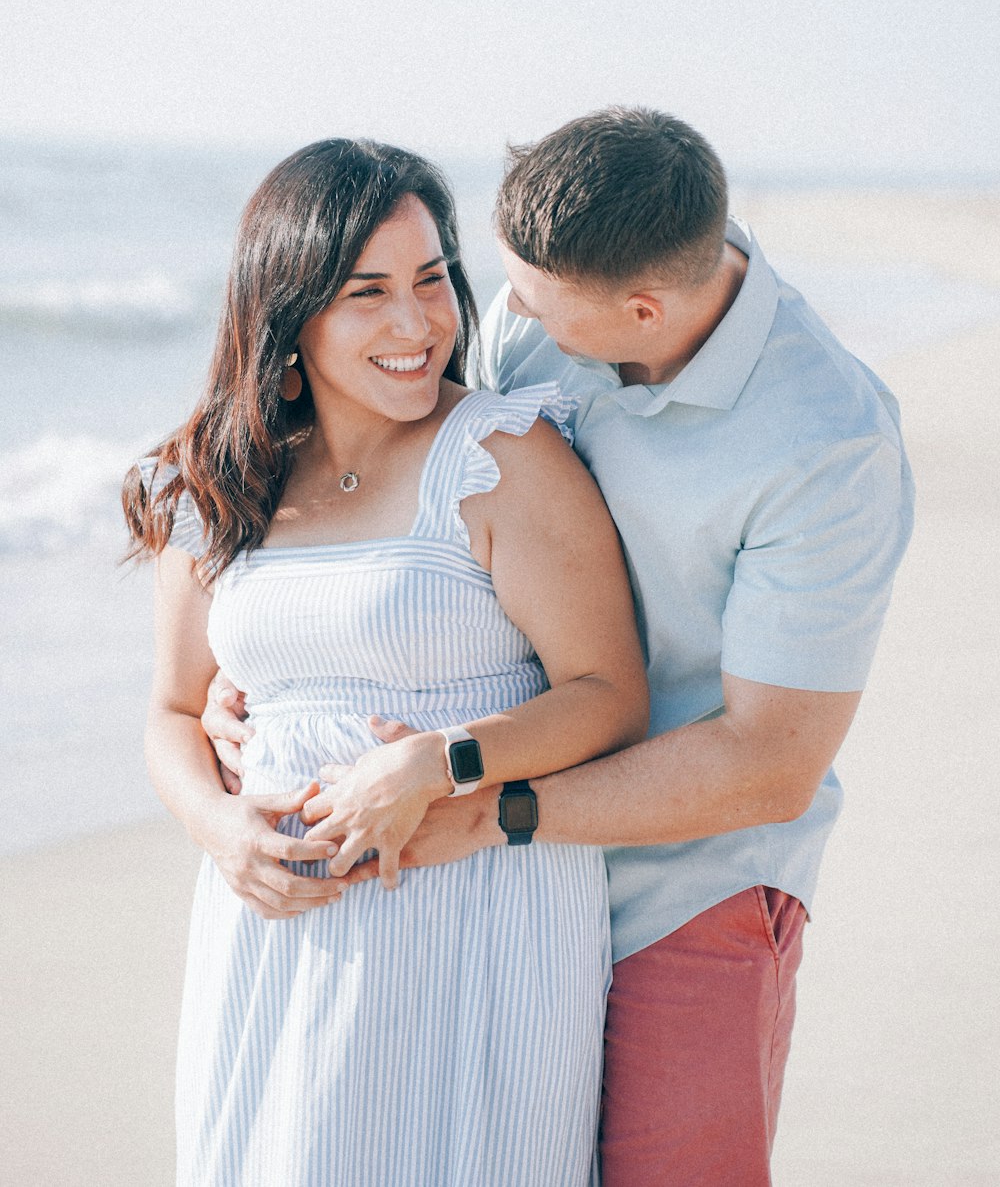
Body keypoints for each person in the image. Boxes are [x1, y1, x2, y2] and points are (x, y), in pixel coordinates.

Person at [209, 108, 914, 1186]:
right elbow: (420, 511)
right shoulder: (550, 310)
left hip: (685, 883)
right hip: (484, 868)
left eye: (525, 301)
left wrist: (483, 809)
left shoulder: (826, 446)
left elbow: (768, 764)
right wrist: (252, 679)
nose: (481, 324)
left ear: (642, 308)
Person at [123, 137, 648, 1187]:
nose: (415, 325)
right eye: (367, 293)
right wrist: (222, 830)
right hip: (276, 933)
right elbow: (175, 713)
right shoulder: (218, 486)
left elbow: (608, 696)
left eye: (431, 280)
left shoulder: (501, 457)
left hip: (482, 916)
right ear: (290, 311)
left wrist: (435, 763)